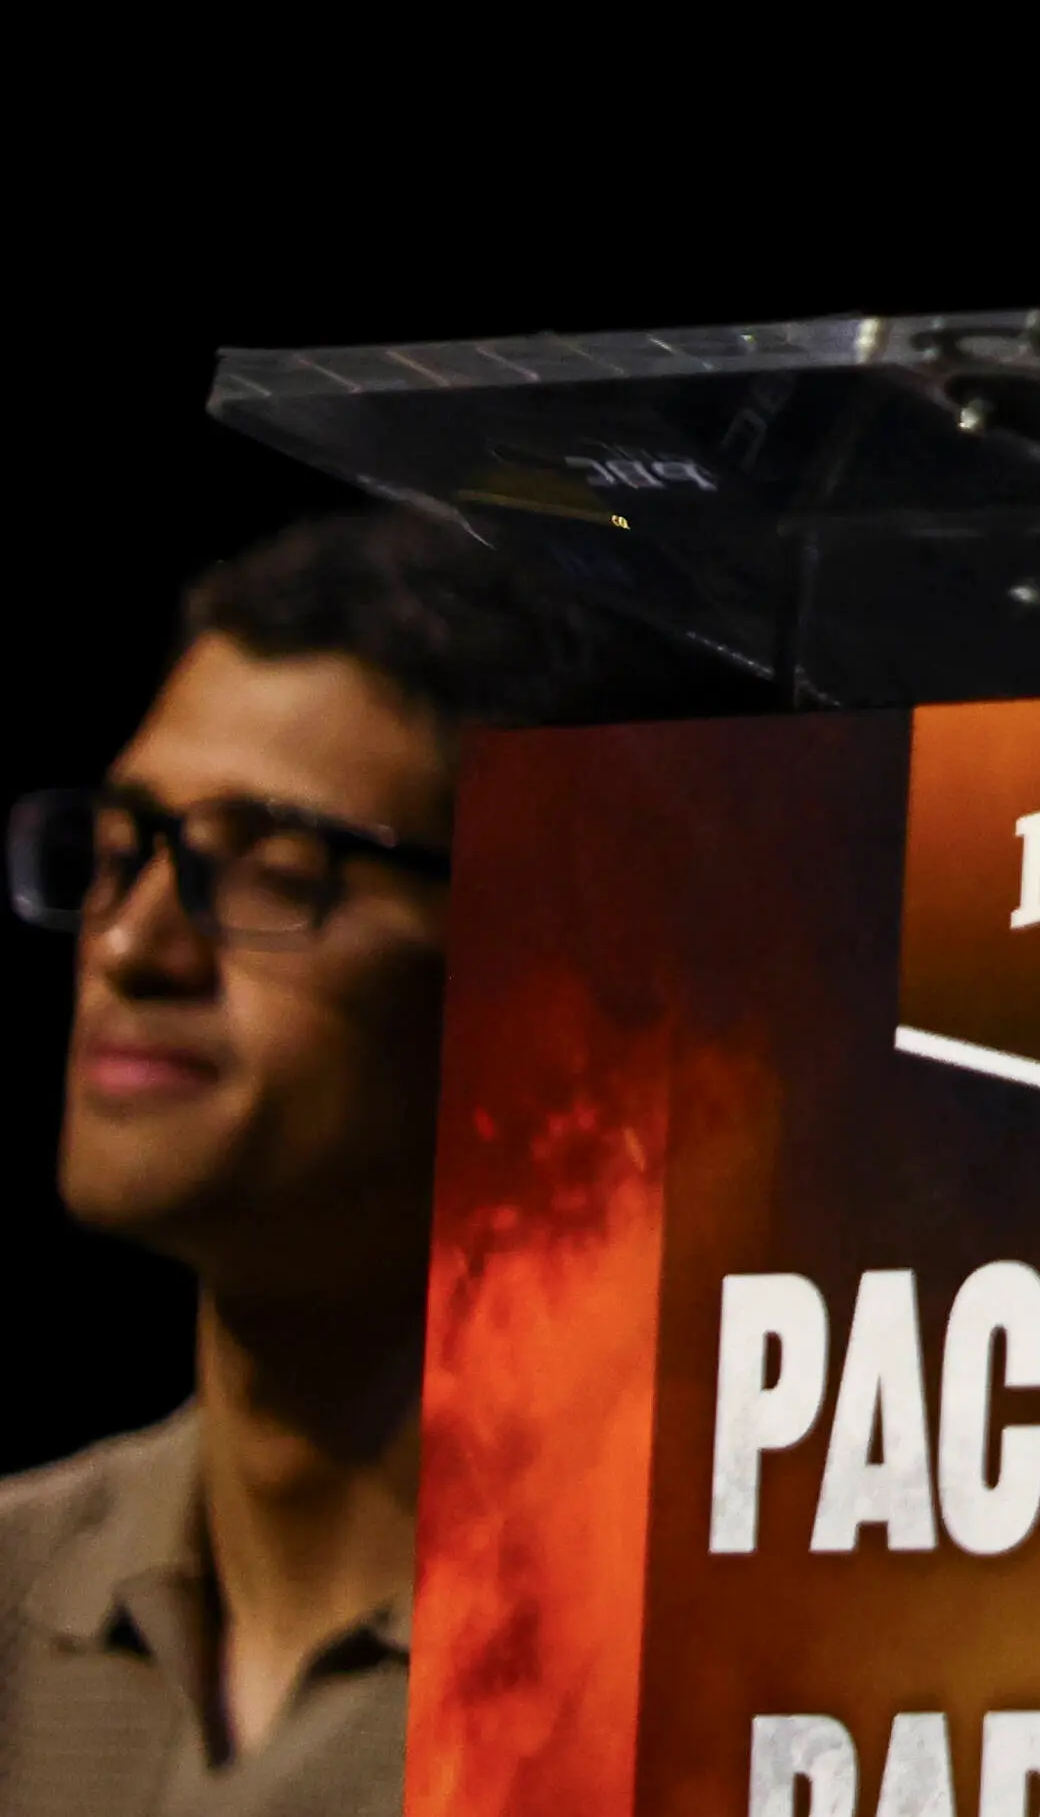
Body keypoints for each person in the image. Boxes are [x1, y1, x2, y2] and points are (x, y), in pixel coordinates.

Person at [1, 511, 704, 1812]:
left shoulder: (701, 1680)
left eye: (273, 871)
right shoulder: (17, 1589)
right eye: (120, 850)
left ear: (550, 988)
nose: (131, 946)